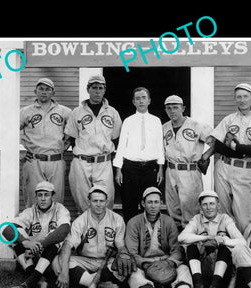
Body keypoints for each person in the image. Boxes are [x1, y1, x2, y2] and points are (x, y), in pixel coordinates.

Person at [125, 187, 207, 288]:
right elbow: (131, 252)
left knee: (183, 269)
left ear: (161, 203)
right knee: (134, 274)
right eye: (149, 202)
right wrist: (146, 265)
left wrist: (169, 263)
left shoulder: (168, 221)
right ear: (143, 204)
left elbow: (177, 249)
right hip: (144, 263)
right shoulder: (133, 222)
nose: (153, 206)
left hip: (165, 262)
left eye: (156, 202)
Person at [201, 83, 251, 232]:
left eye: (245, 96)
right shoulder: (229, 119)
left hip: (244, 170)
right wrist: (244, 150)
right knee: (223, 212)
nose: (242, 100)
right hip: (223, 167)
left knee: (243, 216)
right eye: (239, 97)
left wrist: (233, 147)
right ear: (235, 99)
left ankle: (244, 249)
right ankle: (226, 250)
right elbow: (218, 146)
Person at [52, 185, 132, 288]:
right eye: (95, 201)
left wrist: (123, 254)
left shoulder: (117, 219)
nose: (98, 204)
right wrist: (65, 273)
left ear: (106, 201)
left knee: (127, 266)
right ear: (89, 201)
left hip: (108, 262)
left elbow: (120, 245)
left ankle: (85, 280)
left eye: (101, 201)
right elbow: (67, 245)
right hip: (86, 261)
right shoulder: (81, 220)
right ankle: (101, 285)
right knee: (58, 262)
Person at [64, 75, 122, 213]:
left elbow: (116, 138)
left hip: (103, 161)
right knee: (82, 199)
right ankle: (86, 230)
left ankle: (105, 230)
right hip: (81, 161)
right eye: (94, 88)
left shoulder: (112, 112)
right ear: (88, 89)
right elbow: (71, 138)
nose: (97, 91)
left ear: (104, 90)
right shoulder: (77, 112)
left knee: (105, 198)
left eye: (100, 88)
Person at [178, 190, 246, 288]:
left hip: (222, 270)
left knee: (225, 248)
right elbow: (181, 237)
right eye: (205, 204)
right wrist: (208, 237)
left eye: (212, 204)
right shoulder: (197, 219)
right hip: (201, 268)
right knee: (191, 246)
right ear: (200, 207)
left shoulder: (225, 219)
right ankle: (199, 287)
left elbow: (242, 241)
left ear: (218, 205)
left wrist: (222, 240)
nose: (208, 207)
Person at [4, 181, 71, 288]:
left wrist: (41, 244)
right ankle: (39, 279)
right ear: (36, 197)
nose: (43, 199)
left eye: (47, 195)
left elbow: (64, 230)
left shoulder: (61, 210)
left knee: (56, 238)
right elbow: (7, 230)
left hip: (53, 255)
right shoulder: (29, 212)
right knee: (16, 239)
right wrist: (26, 242)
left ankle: (28, 284)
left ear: (53, 196)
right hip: (32, 254)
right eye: (40, 195)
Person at [113, 87, 165, 223]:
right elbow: (121, 146)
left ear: (149, 101)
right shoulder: (128, 121)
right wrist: (118, 170)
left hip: (150, 168)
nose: (141, 101)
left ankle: (148, 236)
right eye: (137, 98)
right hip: (130, 167)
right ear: (133, 102)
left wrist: (160, 169)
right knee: (129, 204)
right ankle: (131, 236)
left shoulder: (156, 121)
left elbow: (160, 146)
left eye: (143, 98)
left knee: (148, 203)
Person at [162, 95, 213, 230]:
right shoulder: (164, 127)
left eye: (175, 107)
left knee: (190, 210)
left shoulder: (196, 125)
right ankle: (177, 244)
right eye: (169, 108)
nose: (172, 111)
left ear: (183, 108)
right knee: (172, 208)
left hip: (189, 170)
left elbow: (216, 141)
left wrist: (206, 155)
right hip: (171, 170)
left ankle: (191, 245)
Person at [20, 78, 71, 206]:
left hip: (56, 161)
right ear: (35, 91)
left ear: (53, 92)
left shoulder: (65, 112)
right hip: (33, 160)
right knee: (33, 198)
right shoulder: (25, 112)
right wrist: (20, 150)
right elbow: (9, 131)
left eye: (47, 89)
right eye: (41, 89)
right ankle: (33, 225)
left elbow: (73, 134)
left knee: (56, 199)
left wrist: (63, 147)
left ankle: (54, 226)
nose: (44, 92)